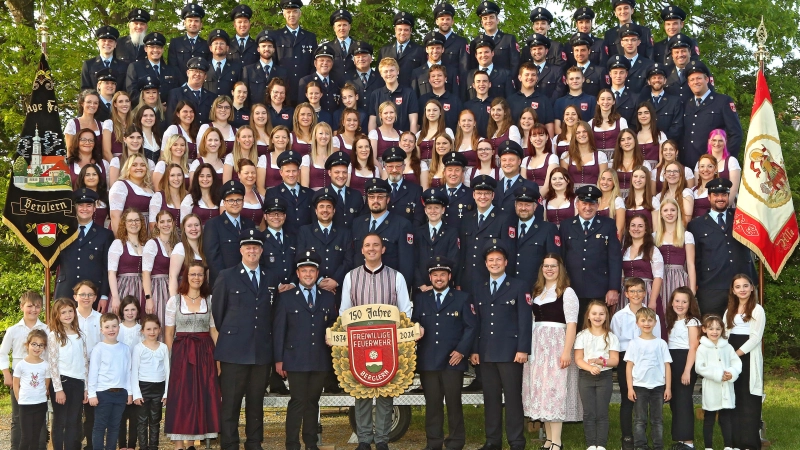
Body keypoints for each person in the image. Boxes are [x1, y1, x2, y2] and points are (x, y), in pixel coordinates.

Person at [339, 233, 413, 450]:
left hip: (387, 344)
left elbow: (405, 310)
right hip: (360, 344)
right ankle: (363, 438)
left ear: (383, 249)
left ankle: (381, 439)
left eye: (376, 245)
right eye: (367, 245)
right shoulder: (351, 277)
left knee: (385, 390)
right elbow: (344, 310)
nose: (371, 249)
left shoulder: (396, 277)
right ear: (361, 250)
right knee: (361, 389)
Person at [212, 228, 273, 450]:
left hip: (261, 350)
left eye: (256, 246)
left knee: (256, 402)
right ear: (241, 250)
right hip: (233, 351)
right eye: (248, 246)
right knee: (231, 403)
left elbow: (271, 313)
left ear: (261, 250)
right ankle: (229, 444)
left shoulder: (269, 277)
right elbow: (218, 314)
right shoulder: (226, 276)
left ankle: (254, 442)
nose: (252, 250)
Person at [470, 240, 531, 450]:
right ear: (485, 264)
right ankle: (492, 441)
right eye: (490, 260)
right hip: (486, 353)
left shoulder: (519, 285)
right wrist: (475, 350)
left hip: (511, 353)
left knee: (513, 398)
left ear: (506, 262)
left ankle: (516, 442)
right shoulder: (479, 288)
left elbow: (524, 319)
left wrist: (523, 348)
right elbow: (476, 322)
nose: (494, 263)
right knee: (491, 399)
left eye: (498, 259)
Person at [274, 251, 337, 450]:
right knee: (298, 401)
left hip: (320, 359)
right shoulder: (286, 298)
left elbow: (334, 326)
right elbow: (279, 330)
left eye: (312, 271)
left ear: (317, 273)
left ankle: (311, 443)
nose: (308, 274)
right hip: (295, 358)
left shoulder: (328, 298)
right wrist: (278, 359)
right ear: (298, 273)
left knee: (313, 401)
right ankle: (292, 443)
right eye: (304, 271)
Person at [412, 256, 476, 450]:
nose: (438, 278)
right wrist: (416, 330)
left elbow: (471, 327)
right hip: (428, 361)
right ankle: (434, 442)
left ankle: (456, 442)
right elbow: (414, 323)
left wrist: (461, 351)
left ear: (449, 276)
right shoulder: (421, 298)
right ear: (429, 278)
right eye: (434, 275)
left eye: (442, 274)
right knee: (432, 405)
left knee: (454, 403)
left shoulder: (462, 298)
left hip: (452, 361)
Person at [522, 254, 581, 450]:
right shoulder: (538, 291)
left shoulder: (567, 292)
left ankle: (557, 441)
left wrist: (566, 352)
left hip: (557, 344)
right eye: (546, 266)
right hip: (538, 345)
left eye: (553, 266)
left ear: (560, 268)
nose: (549, 269)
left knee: (555, 390)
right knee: (543, 391)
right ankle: (548, 439)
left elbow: (572, 324)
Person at [164, 261, 220, 448]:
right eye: (193, 274)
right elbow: (169, 333)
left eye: (200, 275)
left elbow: (213, 331)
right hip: (182, 351)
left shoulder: (210, 300)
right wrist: (173, 358)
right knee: (181, 395)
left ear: (204, 278)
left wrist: (218, 358)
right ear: (186, 277)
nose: (196, 278)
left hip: (205, 352)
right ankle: (179, 443)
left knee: (202, 393)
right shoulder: (175, 301)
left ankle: (193, 441)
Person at [686, 178, 755, 316]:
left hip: (741, 286)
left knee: (742, 330)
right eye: (716, 195)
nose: (720, 198)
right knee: (712, 330)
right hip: (711, 288)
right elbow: (696, 259)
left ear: (728, 196)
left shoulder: (741, 218)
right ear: (709, 197)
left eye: (724, 194)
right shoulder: (696, 225)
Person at [559, 185, 622, 324]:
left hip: (600, 290)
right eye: (584, 203)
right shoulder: (566, 225)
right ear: (577, 204)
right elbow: (561, 258)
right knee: (574, 330)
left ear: (597, 205)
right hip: (572, 289)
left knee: (599, 331)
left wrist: (613, 288)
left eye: (592, 204)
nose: (588, 207)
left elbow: (615, 258)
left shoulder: (608, 225)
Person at [611, 277, 661, 450]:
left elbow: (658, 341)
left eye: (639, 290)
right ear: (626, 294)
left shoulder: (652, 316)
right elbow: (615, 342)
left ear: (645, 293)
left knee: (646, 399)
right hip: (627, 359)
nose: (636, 294)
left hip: (648, 360)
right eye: (632, 291)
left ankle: (647, 437)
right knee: (628, 398)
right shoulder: (618, 316)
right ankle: (627, 437)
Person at [723, 274, 765, 450]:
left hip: (747, 356)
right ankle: (734, 443)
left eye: (745, 286)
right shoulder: (729, 310)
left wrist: (736, 354)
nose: (742, 289)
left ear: (752, 288)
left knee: (749, 399)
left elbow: (756, 337)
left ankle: (750, 443)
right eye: (738, 286)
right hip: (731, 355)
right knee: (734, 398)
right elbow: (724, 333)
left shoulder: (757, 309)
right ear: (733, 290)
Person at [2, 291, 48, 450]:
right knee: (17, 417)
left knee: (40, 418)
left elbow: (49, 355)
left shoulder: (46, 329)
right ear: (22, 307)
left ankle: (40, 447)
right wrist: (6, 373)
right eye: (30, 306)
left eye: (37, 306)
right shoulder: (13, 330)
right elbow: (2, 352)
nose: (33, 310)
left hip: (39, 376)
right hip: (19, 376)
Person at [54, 189, 114, 305]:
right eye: (81, 205)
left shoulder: (105, 235)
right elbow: (52, 262)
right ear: (75, 208)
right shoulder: (63, 233)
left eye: (89, 205)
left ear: (94, 208)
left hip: (92, 294)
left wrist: (104, 296)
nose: (85, 209)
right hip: (65, 292)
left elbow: (107, 268)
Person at [624, 307, 672, 450]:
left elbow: (667, 366)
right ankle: (640, 446)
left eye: (650, 320)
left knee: (657, 420)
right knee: (639, 420)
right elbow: (629, 366)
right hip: (639, 386)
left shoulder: (661, 343)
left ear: (655, 322)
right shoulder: (633, 343)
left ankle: (658, 446)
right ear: (637, 323)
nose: (647, 323)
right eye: (643, 320)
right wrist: (630, 388)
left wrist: (667, 387)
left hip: (658, 386)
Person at [574, 301, 620, 450]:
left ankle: (601, 445)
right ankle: (591, 445)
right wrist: (590, 368)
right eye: (594, 313)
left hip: (604, 377)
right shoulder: (581, 336)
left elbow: (615, 360)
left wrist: (602, 362)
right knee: (589, 412)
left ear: (606, 316)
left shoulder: (611, 337)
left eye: (601, 313)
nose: (597, 316)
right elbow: (578, 359)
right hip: (585, 377)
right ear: (588, 316)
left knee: (601, 412)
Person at [351, 177, 415, 284]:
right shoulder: (357, 223)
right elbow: (354, 256)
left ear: (388, 199)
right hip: (361, 285)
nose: (375, 201)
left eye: (380, 197)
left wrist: (400, 291)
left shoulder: (402, 225)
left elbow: (406, 265)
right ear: (367, 200)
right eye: (371, 197)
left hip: (389, 286)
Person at [456, 175, 513, 294]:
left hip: (492, 282)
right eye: (479, 193)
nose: (482, 197)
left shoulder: (503, 218)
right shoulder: (466, 219)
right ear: (473, 195)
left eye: (486, 193)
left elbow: (508, 253)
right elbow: (462, 253)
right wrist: (458, 281)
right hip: (467, 282)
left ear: (493, 195)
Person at [681, 60, 743, 168]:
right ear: (688, 83)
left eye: (699, 78)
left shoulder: (723, 101)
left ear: (707, 79)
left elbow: (736, 134)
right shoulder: (686, 104)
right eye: (692, 79)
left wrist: (724, 160)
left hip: (713, 165)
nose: (696, 82)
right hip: (689, 165)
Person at [297, 187, 355, 300]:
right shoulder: (305, 231)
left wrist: (335, 281)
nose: (325, 210)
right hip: (313, 289)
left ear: (334, 210)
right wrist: (319, 281)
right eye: (321, 206)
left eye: (329, 207)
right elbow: (300, 259)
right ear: (316, 210)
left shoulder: (345, 233)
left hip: (339, 290)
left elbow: (349, 260)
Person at [46, 297, 88, 450]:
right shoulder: (54, 336)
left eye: (70, 311)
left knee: (74, 420)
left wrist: (86, 388)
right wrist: (58, 389)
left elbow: (84, 362)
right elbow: (53, 364)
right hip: (62, 383)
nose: (68, 314)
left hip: (78, 382)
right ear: (57, 315)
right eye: (63, 312)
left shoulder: (80, 335)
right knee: (60, 421)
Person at [88, 313, 133, 450]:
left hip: (120, 394)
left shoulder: (125, 349)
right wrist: (92, 394)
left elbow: (128, 372)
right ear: (101, 330)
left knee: (115, 426)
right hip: (103, 393)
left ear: (119, 328)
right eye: (107, 327)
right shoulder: (98, 349)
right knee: (100, 426)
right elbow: (93, 373)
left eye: (114, 326)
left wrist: (129, 393)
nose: (111, 329)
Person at [695, 314, 740, 450]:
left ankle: (728, 445)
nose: (714, 332)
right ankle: (708, 447)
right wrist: (718, 374)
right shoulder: (702, 348)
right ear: (704, 329)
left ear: (722, 330)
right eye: (711, 329)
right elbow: (699, 367)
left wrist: (731, 373)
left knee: (726, 418)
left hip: (726, 387)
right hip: (711, 388)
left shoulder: (727, 347)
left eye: (718, 329)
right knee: (709, 418)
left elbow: (736, 362)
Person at [665, 287, 701, 449]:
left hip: (685, 361)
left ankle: (688, 441)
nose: (680, 304)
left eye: (684, 301)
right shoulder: (671, 321)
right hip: (671, 362)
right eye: (677, 301)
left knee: (684, 400)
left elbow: (694, 346)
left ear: (690, 304)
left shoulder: (692, 321)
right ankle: (680, 439)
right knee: (675, 401)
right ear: (672, 302)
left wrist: (687, 370)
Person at [203, 180, 256, 285]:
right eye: (231, 200)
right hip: (224, 283)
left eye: (238, 200)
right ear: (224, 202)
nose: (235, 204)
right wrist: (228, 280)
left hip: (248, 283)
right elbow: (212, 258)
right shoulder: (213, 224)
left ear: (243, 201)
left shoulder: (249, 224)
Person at [130, 315, 169, 450]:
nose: (152, 332)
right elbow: (134, 371)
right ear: (143, 331)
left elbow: (167, 371)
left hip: (159, 388)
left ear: (159, 330)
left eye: (155, 329)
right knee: (142, 420)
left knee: (155, 420)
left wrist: (166, 393)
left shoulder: (163, 348)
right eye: (148, 329)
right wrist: (136, 394)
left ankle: (153, 446)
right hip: (143, 387)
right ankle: (143, 447)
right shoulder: (138, 348)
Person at [621, 214, 665, 334]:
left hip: (646, 292)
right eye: (633, 226)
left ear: (646, 230)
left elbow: (658, 277)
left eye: (640, 226)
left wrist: (652, 301)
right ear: (629, 229)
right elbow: (622, 276)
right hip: (627, 294)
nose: (636, 229)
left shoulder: (652, 250)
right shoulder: (624, 250)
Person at [509, 185, 560, 280]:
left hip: (537, 287)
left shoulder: (548, 229)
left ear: (535, 206)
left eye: (528, 205)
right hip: (512, 287)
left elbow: (554, 261)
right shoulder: (508, 227)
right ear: (515, 206)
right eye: (520, 204)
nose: (523, 208)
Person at [413, 188, 460, 290]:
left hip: (445, 288)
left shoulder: (452, 232)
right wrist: (421, 284)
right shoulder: (417, 232)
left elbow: (454, 261)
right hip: (422, 290)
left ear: (443, 210)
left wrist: (439, 284)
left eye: (436, 208)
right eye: (429, 208)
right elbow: (413, 261)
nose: (433, 211)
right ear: (425, 210)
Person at [142, 210, 178, 338]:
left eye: (169, 221)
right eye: (162, 221)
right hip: (157, 289)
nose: (166, 224)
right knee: (160, 323)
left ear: (173, 223)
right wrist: (148, 298)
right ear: (157, 224)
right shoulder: (152, 244)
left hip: (173, 287)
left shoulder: (176, 244)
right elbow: (145, 273)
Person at [12, 329, 49, 450]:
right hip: (25, 405)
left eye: (41, 345)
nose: (37, 347)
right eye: (34, 344)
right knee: (26, 437)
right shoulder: (21, 365)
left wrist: (41, 395)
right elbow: (15, 384)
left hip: (40, 404)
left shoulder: (45, 365)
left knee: (36, 437)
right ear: (27, 345)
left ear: (44, 347)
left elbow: (46, 384)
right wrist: (19, 399)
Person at [654, 198, 697, 299]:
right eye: (665, 210)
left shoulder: (686, 235)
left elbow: (690, 264)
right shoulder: (654, 236)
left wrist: (692, 289)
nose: (669, 213)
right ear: (660, 214)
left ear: (678, 212)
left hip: (679, 278)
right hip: (659, 277)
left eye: (673, 210)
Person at [274, 0, 318, 97]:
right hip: (283, 90)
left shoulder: (310, 37)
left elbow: (314, 65)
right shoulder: (276, 36)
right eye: (288, 12)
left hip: (305, 89)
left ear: (300, 13)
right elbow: (274, 64)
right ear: (284, 14)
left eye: (294, 11)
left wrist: (310, 85)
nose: (291, 15)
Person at [108, 209, 148, 314]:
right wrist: (115, 297)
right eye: (130, 221)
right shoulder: (118, 244)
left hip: (144, 287)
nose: (134, 223)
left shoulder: (146, 245)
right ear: (124, 224)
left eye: (137, 220)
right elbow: (111, 273)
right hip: (125, 286)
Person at [265, 150, 313, 233]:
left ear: (299, 172)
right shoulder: (272, 193)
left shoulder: (310, 194)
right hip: (285, 242)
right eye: (287, 171)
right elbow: (270, 220)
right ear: (281, 172)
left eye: (294, 171)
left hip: (306, 242)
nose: (291, 174)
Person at [125, 32, 181, 103]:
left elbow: (176, 93)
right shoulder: (135, 67)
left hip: (166, 112)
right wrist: (155, 106)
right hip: (143, 111)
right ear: (145, 49)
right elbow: (132, 93)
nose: (155, 50)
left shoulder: (171, 70)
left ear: (163, 50)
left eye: (158, 47)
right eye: (152, 47)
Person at [367, 57, 419, 133]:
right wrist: (371, 140)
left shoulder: (409, 93)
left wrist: (412, 141)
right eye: (385, 71)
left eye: (392, 70)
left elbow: (413, 122)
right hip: (381, 141)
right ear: (381, 74)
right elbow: (372, 121)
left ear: (397, 71)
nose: (389, 74)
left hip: (403, 140)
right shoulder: (375, 94)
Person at [470, 1, 520, 75]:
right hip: (482, 84)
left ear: (497, 20)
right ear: (481, 22)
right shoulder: (475, 42)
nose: (488, 21)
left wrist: (510, 82)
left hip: (504, 83)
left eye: (491, 17)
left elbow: (515, 64)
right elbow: (472, 66)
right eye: (485, 18)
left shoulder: (508, 39)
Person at [241, 31, 289, 108]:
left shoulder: (282, 72)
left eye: (270, 46)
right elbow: (245, 96)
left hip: (275, 115)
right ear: (258, 49)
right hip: (255, 114)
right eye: (263, 46)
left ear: (274, 49)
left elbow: (285, 97)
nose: (266, 49)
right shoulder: (248, 70)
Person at [378, 11, 425, 88]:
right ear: (395, 30)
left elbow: (423, 76)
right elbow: (379, 76)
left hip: (411, 94)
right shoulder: (384, 51)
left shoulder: (420, 50)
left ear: (411, 31)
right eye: (400, 29)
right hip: (388, 95)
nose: (402, 33)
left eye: (406, 30)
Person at [640, 64, 684, 143]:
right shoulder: (643, 102)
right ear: (649, 81)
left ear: (665, 80)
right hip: (647, 145)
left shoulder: (675, 101)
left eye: (660, 78)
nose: (657, 80)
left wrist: (662, 140)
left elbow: (677, 127)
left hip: (667, 147)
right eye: (654, 78)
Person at [380, 146, 424, 226]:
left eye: (398, 166)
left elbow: (419, 219)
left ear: (404, 166)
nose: (394, 170)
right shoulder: (379, 189)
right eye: (390, 166)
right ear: (385, 167)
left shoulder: (415, 190)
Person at [109, 154, 154, 231]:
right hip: (127, 232)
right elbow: (115, 216)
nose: (139, 168)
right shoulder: (121, 185)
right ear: (128, 168)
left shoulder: (150, 189)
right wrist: (121, 240)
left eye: (142, 165)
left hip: (146, 232)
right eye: (134, 165)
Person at [167, 4, 210, 80]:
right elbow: (172, 66)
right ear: (184, 23)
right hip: (179, 86)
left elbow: (208, 67)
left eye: (196, 21)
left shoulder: (206, 44)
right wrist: (185, 85)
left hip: (200, 86)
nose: (193, 24)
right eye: (190, 20)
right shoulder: (175, 43)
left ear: (201, 24)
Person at [411, 33, 459, 98]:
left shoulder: (451, 71)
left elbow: (455, 96)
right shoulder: (417, 73)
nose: (435, 51)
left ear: (443, 50)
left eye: (438, 48)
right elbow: (414, 98)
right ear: (427, 49)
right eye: (432, 48)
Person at [561, 121, 607, 188]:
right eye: (578, 132)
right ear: (574, 136)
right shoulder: (566, 156)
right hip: (572, 195)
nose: (582, 134)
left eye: (584, 131)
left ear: (589, 133)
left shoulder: (600, 156)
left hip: (593, 194)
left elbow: (603, 181)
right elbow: (564, 181)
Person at [298, 45, 340, 115]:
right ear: (315, 63)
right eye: (321, 60)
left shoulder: (336, 81)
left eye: (328, 61)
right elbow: (301, 108)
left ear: (332, 64)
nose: (325, 63)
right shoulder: (306, 81)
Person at [701, 128, 742, 201]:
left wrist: (724, 208)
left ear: (725, 142)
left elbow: (734, 190)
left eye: (720, 141)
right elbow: (698, 186)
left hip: (726, 204)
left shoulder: (731, 161)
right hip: (704, 203)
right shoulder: (701, 161)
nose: (717, 144)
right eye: (714, 140)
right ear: (709, 141)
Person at [440, 150, 475, 230]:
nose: (453, 173)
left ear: (462, 173)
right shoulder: (438, 193)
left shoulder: (471, 195)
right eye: (450, 170)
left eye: (457, 170)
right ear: (444, 172)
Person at [590, 89, 627, 161]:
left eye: (609, 99)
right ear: (598, 101)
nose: (605, 102)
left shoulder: (621, 121)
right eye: (602, 99)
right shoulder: (591, 123)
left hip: (616, 159)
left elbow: (626, 142)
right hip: (597, 159)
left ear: (613, 101)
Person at [205, 29, 243, 98]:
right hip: (208, 108)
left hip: (228, 107)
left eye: (222, 43)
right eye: (216, 43)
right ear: (210, 48)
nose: (219, 46)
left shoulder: (236, 68)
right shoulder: (204, 67)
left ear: (227, 48)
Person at [597, 168, 626, 238]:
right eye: (603, 179)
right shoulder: (594, 200)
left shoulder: (617, 201)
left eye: (609, 180)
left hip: (610, 241)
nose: (605, 182)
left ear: (614, 183)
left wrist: (615, 247)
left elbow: (619, 229)